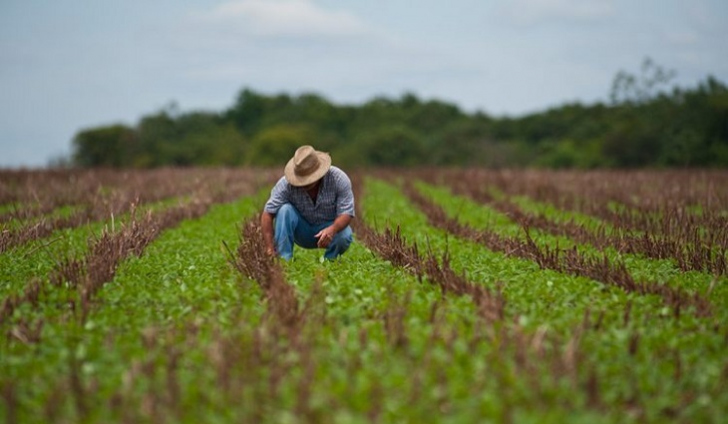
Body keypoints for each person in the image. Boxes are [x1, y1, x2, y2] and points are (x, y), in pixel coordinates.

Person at [261, 145, 355, 261]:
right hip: (302, 231)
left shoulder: (339, 179)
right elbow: (267, 214)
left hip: (329, 228)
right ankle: (284, 260)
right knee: (285, 210)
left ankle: (330, 262)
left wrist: (332, 229)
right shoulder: (285, 184)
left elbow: (346, 213)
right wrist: (269, 248)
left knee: (345, 234)